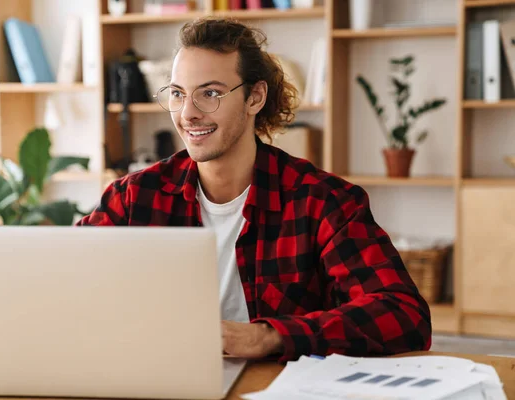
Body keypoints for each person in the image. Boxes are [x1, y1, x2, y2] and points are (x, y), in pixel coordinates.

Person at [77, 17, 431, 362]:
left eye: (210, 93)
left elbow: (404, 315)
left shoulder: (323, 202)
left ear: (254, 98)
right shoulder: (132, 198)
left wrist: (269, 336)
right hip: (160, 378)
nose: (188, 113)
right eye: (177, 94)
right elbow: (66, 283)